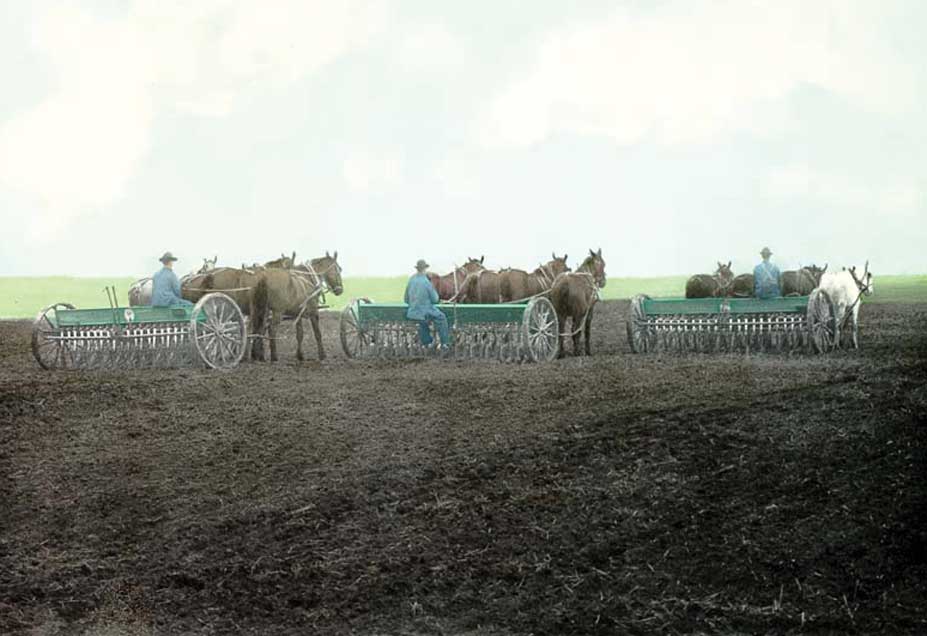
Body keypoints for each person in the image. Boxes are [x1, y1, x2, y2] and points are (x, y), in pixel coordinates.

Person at [404, 259, 450, 348]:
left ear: (417, 269)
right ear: (425, 269)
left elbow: (406, 299)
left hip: (412, 312)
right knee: (441, 318)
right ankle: (444, 343)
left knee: (422, 322)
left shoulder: (411, 280)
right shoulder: (426, 282)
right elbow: (435, 299)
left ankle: (427, 342)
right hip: (425, 311)